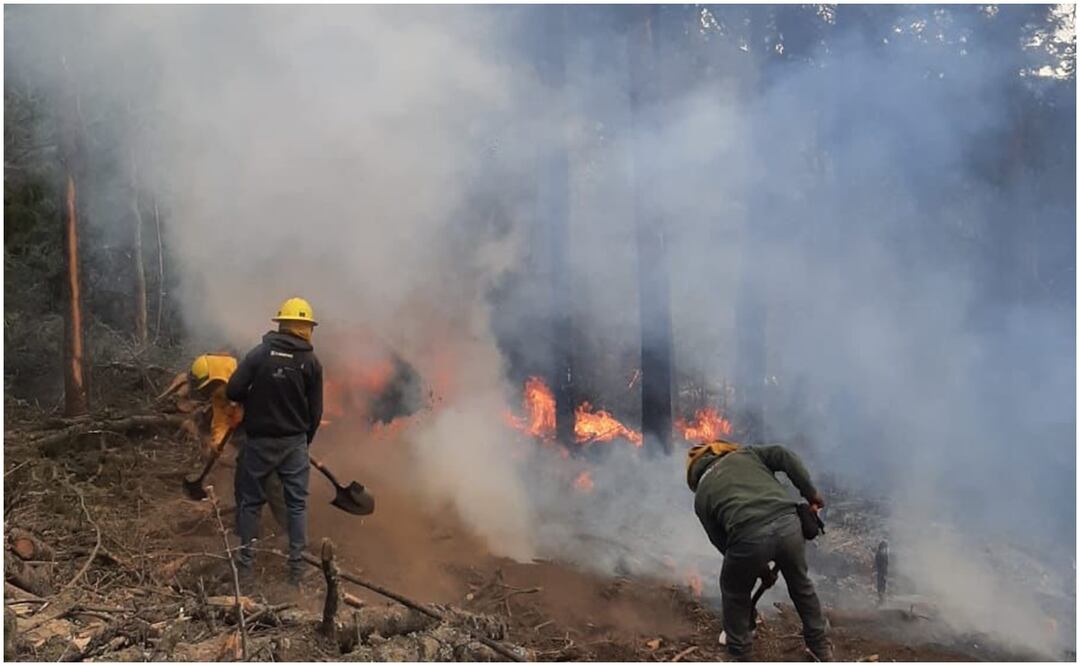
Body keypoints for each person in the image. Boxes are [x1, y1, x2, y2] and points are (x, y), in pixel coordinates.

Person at [686, 439, 832, 661]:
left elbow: (723, 543)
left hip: (747, 538)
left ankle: (740, 655)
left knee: (734, 592)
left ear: (695, 476)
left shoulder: (701, 496)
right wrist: (811, 494)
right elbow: (784, 455)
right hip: (789, 525)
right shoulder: (747, 454)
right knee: (801, 586)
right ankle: (820, 650)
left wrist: (759, 568)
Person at [226, 297, 324, 587]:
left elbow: (233, 390)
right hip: (293, 443)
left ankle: (245, 570)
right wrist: (304, 442)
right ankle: (297, 571)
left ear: (281, 324)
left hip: (259, 442)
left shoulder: (260, 354)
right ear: (306, 328)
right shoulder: (311, 362)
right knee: (296, 505)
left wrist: (253, 398)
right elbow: (315, 412)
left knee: (251, 504)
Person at [874, 540, 889, 606]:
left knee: (882, 586)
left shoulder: (884, 555)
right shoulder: (879, 555)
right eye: (884, 548)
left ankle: (882, 599)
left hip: (882, 573)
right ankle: (881, 599)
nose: (886, 549)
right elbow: (880, 565)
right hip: (881, 573)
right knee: (881, 586)